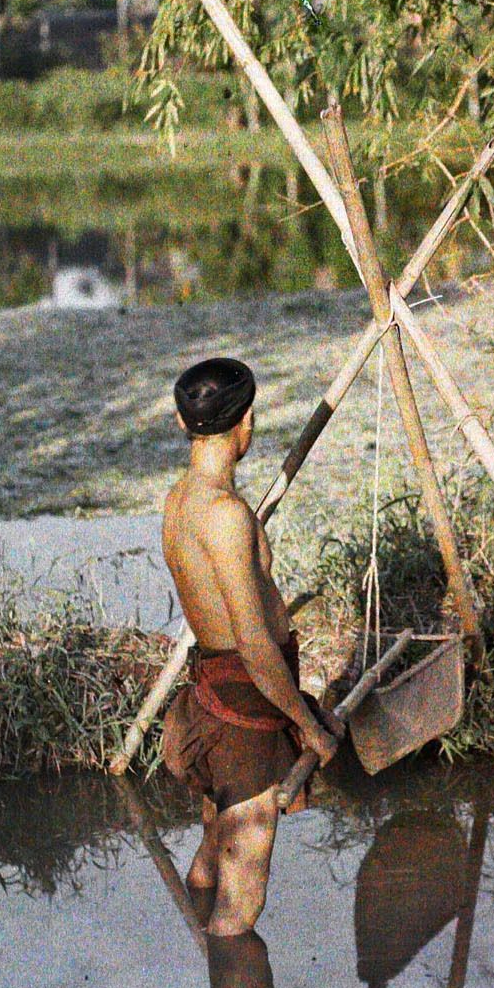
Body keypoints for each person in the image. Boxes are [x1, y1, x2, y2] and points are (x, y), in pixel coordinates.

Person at [160, 356, 342, 935]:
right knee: (242, 907)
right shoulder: (226, 515)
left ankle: (214, 987)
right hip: (244, 713)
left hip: (214, 692)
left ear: (181, 422)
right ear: (247, 422)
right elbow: (255, 645)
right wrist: (307, 725)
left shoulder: (178, 498)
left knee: (212, 861)